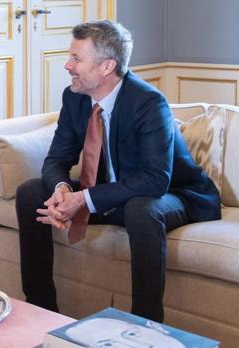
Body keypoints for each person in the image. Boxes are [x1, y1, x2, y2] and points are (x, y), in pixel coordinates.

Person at [16, 20, 220, 322]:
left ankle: (145, 326)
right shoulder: (74, 97)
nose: (67, 65)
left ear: (107, 66)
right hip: (110, 193)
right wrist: (62, 189)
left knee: (141, 209)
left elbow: (155, 179)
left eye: (76, 58)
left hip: (174, 195)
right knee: (31, 192)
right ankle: (41, 312)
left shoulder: (148, 103)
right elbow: (57, 158)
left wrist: (84, 199)